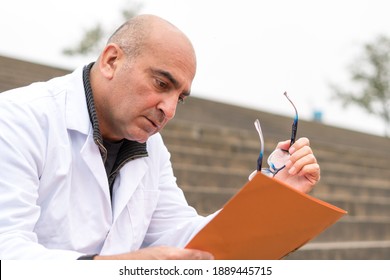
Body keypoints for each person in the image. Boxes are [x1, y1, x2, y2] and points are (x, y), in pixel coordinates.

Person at [0, 14, 320, 260]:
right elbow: (7, 250)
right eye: (162, 84)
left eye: (179, 97)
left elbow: (180, 238)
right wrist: (116, 267)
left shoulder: (150, 146)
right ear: (112, 61)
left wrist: (270, 201)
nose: (169, 110)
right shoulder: (16, 120)